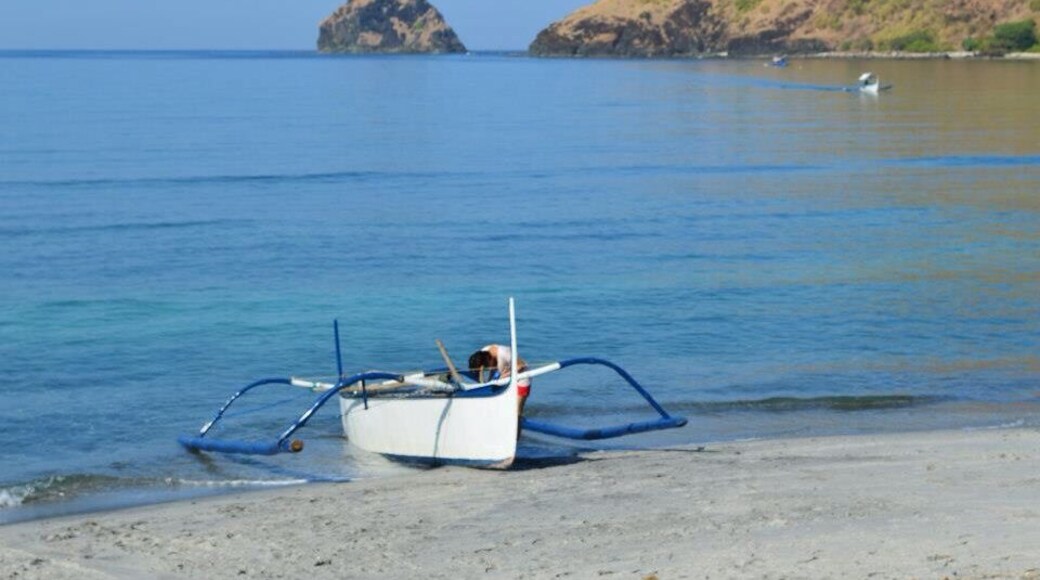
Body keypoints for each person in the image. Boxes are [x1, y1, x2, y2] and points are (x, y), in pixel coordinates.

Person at [468, 344, 530, 417]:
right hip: (503, 374)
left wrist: (505, 376)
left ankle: (518, 422)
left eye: (487, 367)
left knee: (517, 411)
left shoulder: (504, 353)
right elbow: (480, 372)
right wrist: (482, 384)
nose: (487, 369)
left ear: (489, 359)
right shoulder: (482, 354)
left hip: (521, 376)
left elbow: (522, 365)